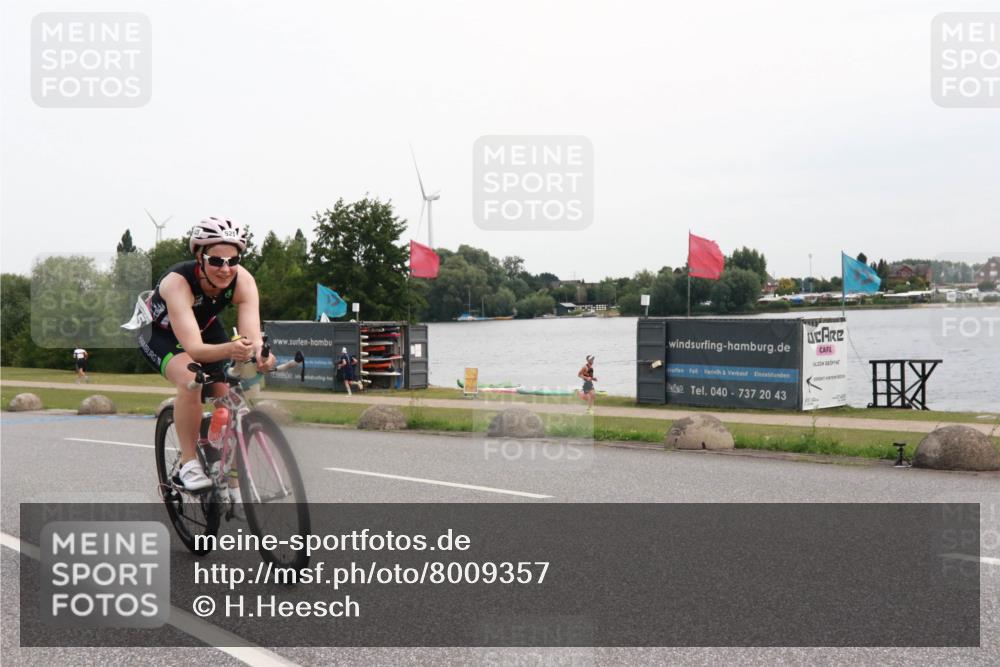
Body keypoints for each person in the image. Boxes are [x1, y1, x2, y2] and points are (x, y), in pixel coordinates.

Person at [136, 217, 275, 492]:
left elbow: (251, 337)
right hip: (158, 332)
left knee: (229, 397)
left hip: (205, 328)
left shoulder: (243, 280)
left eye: (232, 261)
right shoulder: (178, 283)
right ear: (200, 258)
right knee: (193, 378)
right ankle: (189, 465)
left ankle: (229, 479)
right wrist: (232, 350)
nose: (225, 269)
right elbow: (195, 350)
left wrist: (260, 354)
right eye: (216, 261)